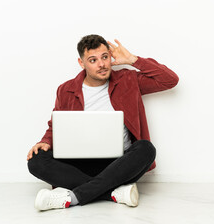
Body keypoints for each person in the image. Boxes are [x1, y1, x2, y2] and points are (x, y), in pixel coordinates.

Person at [26, 34, 179, 211]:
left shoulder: (128, 80)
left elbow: (169, 80)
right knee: (36, 160)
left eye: (105, 57)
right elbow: (57, 124)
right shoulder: (66, 89)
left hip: (118, 163)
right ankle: (112, 193)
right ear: (81, 63)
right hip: (78, 164)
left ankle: (73, 196)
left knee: (146, 149)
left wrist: (132, 59)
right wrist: (44, 142)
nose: (102, 64)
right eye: (93, 60)